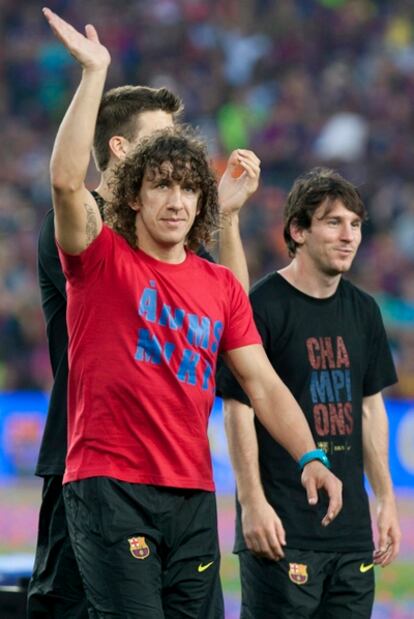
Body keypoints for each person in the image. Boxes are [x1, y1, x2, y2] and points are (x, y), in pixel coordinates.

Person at [40, 8, 342, 618]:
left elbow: (260, 380)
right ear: (132, 189)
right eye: (161, 185)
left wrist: (312, 454)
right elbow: (69, 184)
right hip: (109, 483)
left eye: (189, 188)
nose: (176, 202)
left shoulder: (216, 284)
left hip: (192, 493)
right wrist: (94, 74)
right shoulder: (99, 259)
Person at [28, 38, 260, 619]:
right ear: (121, 147)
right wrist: (95, 72)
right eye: (161, 141)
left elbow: (232, 316)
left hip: (168, 473)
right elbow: (67, 184)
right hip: (87, 462)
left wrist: (225, 218)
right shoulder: (82, 232)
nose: (177, 153)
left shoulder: (168, 236)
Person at [219, 167, 401, 618]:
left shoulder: (364, 310)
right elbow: (238, 411)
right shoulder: (262, 307)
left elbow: (370, 409)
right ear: (298, 230)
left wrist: (385, 500)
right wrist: (252, 504)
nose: (349, 236)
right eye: (334, 222)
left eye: (355, 224)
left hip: (352, 535)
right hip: (281, 530)